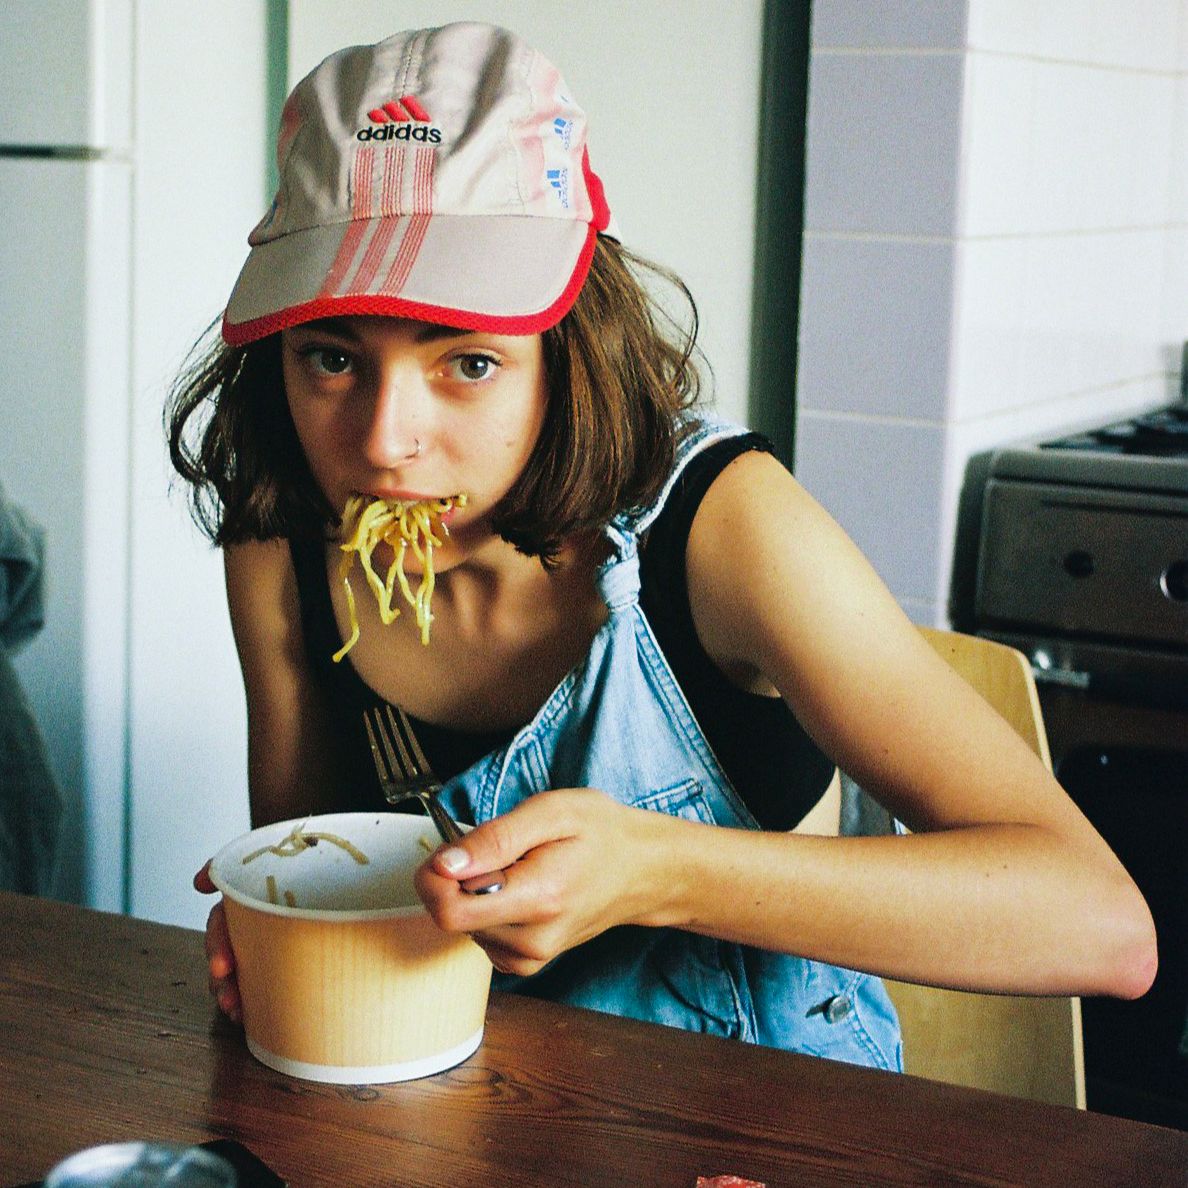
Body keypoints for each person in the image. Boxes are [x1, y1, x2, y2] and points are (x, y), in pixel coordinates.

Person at [170, 21, 1155, 1070]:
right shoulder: (282, 541)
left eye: (469, 363)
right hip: (463, 1103)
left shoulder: (726, 527)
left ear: (569, 352)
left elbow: (1099, 925)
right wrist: (281, 936)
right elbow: (317, 871)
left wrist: (662, 872)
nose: (382, 443)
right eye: (331, 358)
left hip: (767, 1114)